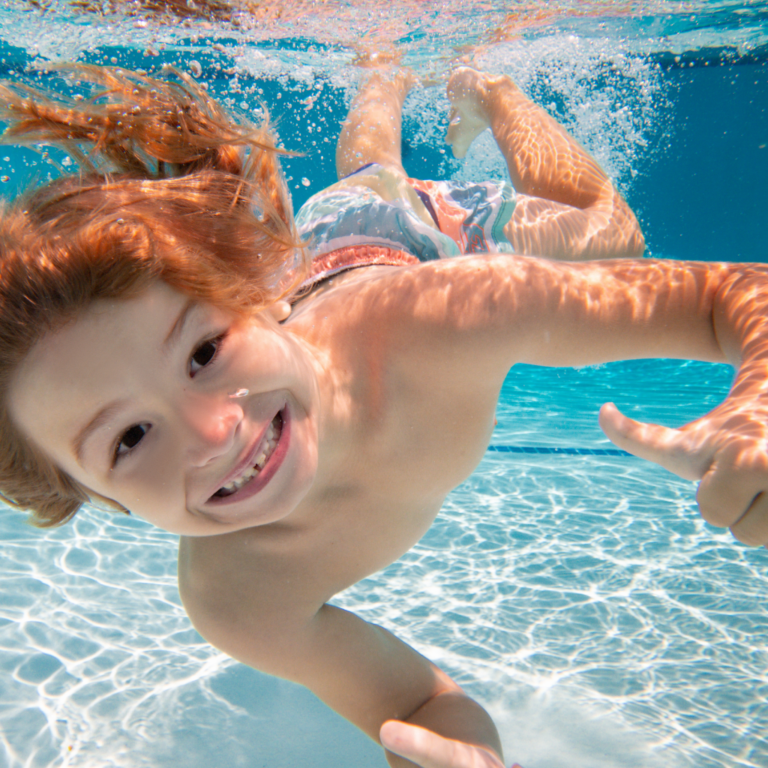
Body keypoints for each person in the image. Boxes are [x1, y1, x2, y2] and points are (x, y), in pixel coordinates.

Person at [1, 63, 767, 768]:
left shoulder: (443, 318)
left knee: (612, 235)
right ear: (93, 495)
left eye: (204, 353)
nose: (213, 435)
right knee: (369, 176)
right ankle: (384, 74)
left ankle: (484, 87)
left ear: (253, 298)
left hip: (415, 242)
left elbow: (731, 292)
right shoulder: (238, 598)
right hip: (336, 243)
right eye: (130, 438)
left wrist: (759, 400)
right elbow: (416, 702)